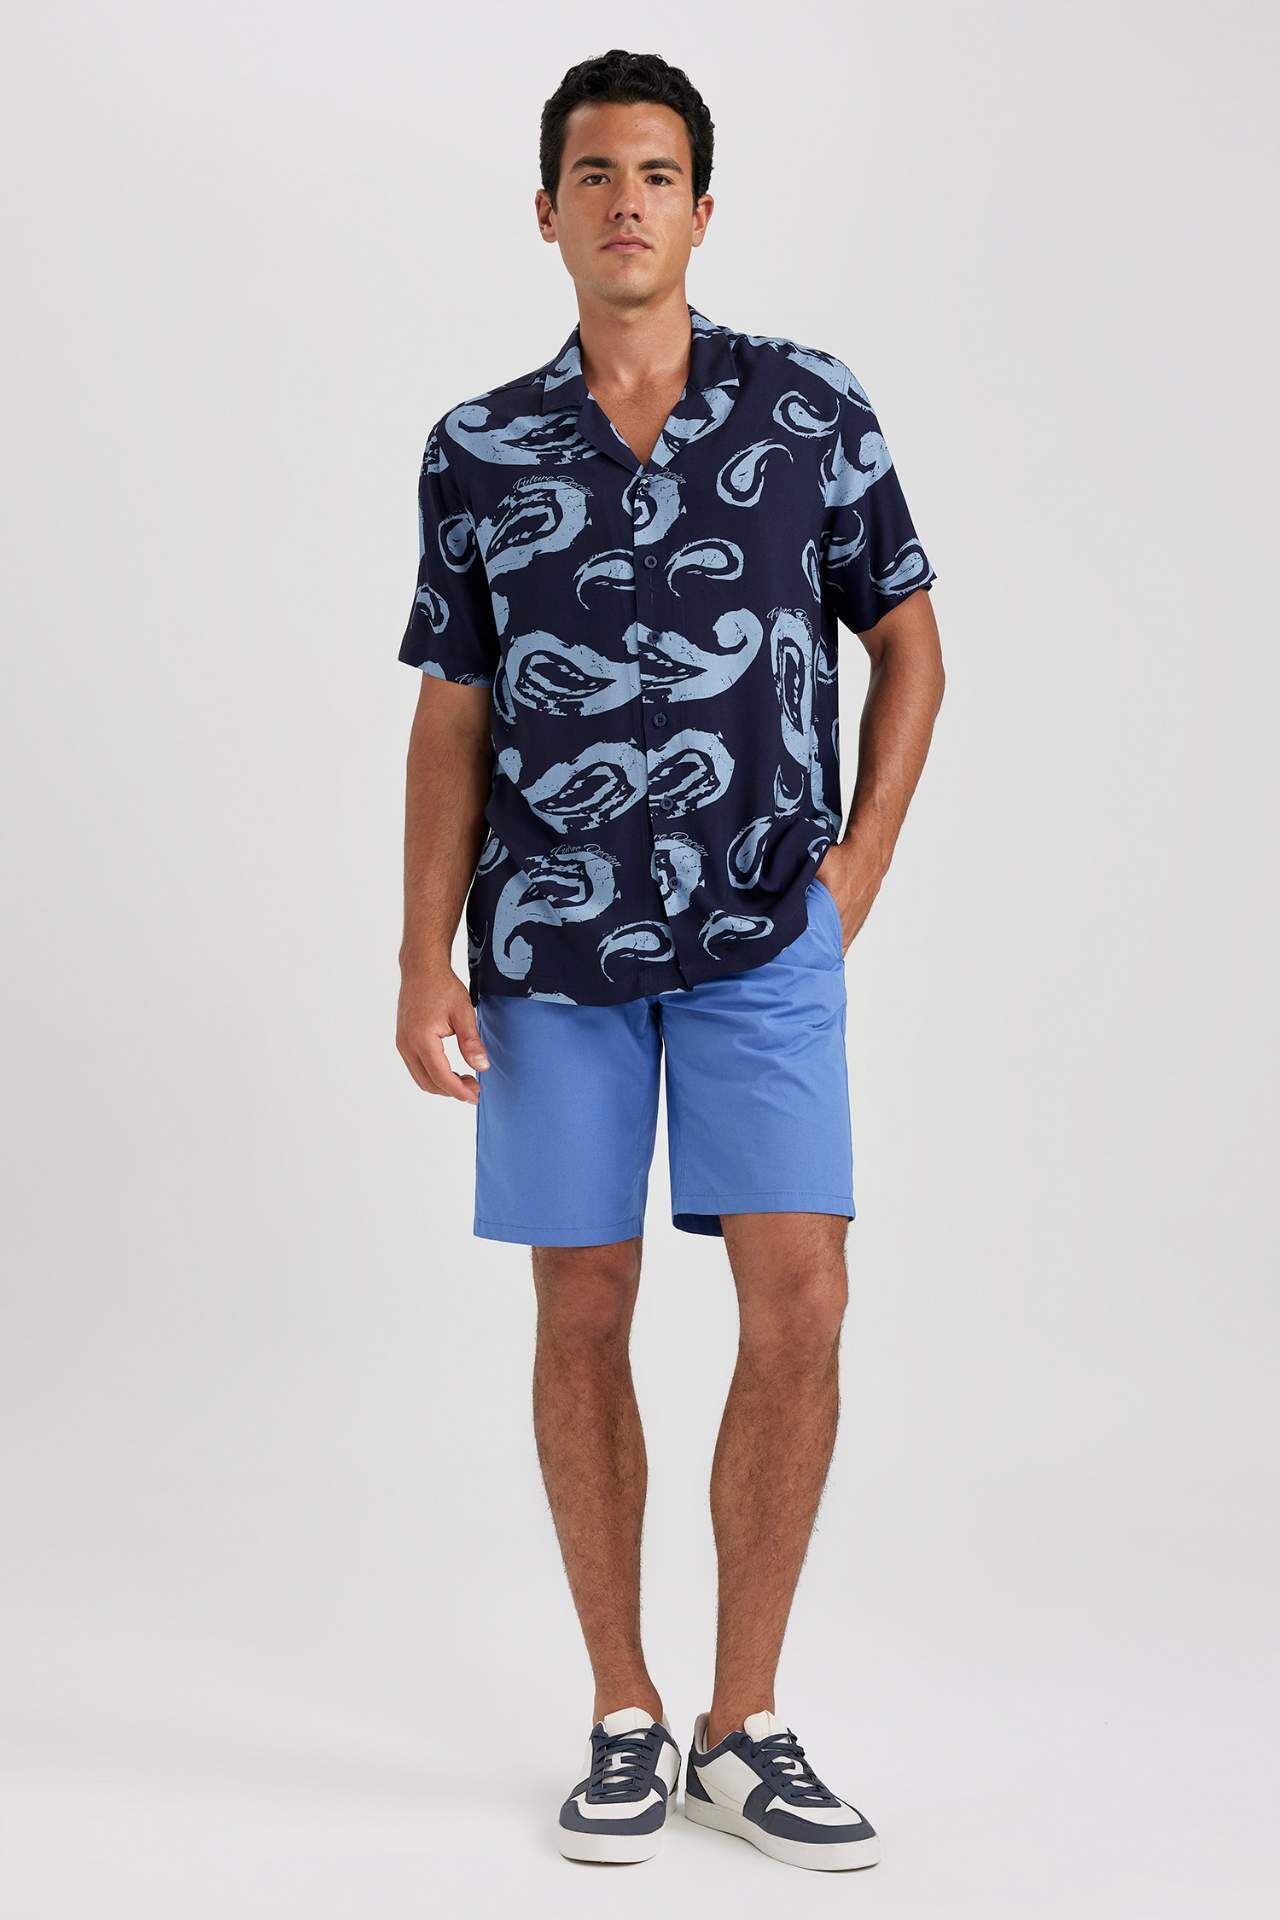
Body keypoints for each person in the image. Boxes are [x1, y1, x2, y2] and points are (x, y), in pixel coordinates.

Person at [395, 48, 944, 1873]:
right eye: (593, 174)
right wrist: (418, 956)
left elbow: (910, 641)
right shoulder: (480, 449)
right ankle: (625, 1712)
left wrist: (856, 872)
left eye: (654, 174)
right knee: (582, 1311)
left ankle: (744, 1723)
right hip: (547, 948)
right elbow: (454, 712)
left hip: (762, 931)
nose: (624, 201)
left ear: (702, 209)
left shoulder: (808, 408)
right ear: (547, 212)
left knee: (804, 1302)